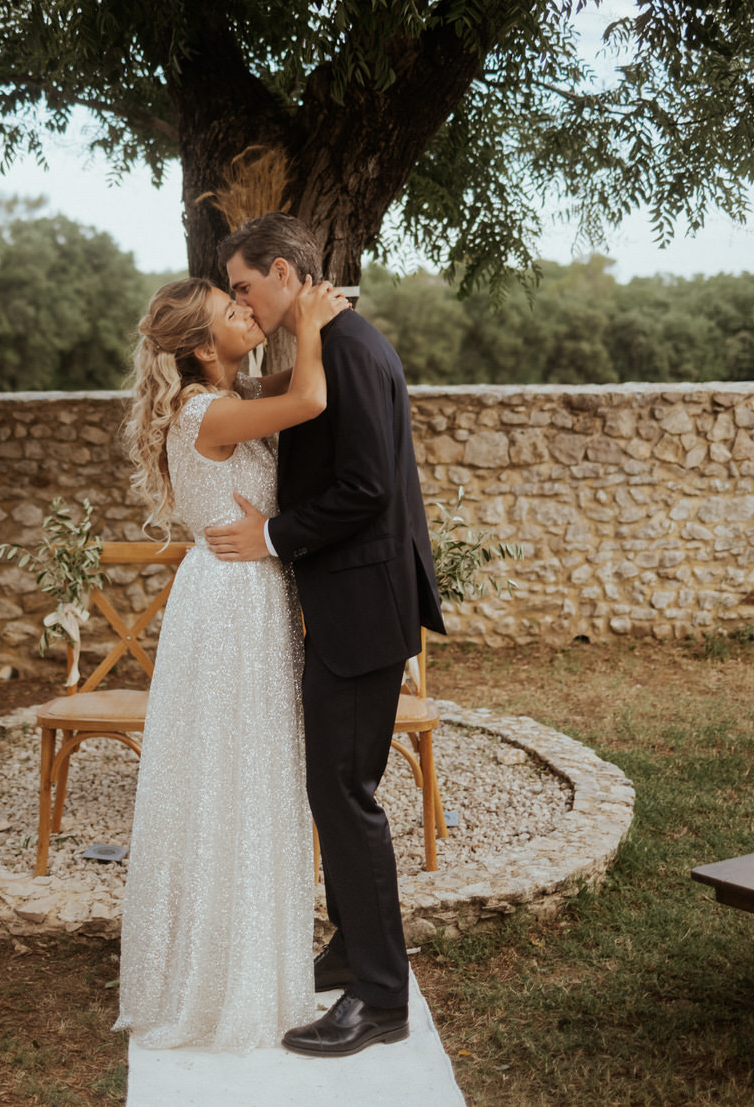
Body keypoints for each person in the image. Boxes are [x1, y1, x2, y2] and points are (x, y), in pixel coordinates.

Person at [205, 213, 447, 1059]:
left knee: (346, 797)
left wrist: (270, 536)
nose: (241, 300)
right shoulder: (332, 342)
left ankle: (380, 999)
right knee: (335, 793)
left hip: (359, 607)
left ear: (281, 271)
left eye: (242, 286)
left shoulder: (344, 349)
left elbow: (366, 489)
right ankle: (352, 952)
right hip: (357, 604)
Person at [116, 272, 348, 1052]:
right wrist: (307, 327)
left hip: (246, 594)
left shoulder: (233, 390)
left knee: (249, 774)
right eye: (230, 310)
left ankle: (241, 958)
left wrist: (320, 320)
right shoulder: (207, 409)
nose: (246, 311)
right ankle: (220, 976)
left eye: (243, 299)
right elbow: (311, 398)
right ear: (200, 345)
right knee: (234, 776)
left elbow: (300, 380)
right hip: (231, 603)